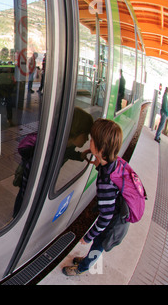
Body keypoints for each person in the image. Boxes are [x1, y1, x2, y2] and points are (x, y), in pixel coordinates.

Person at [63, 118, 129, 276]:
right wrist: (97, 161)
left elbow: (105, 217)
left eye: (92, 139)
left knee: (98, 245)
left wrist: (88, 236)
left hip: (113, 223)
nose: (89, 140)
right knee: (97, 245)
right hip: (116, 213)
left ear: (101, 147)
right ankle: (86, 260)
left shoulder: (106, 184)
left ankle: (82, 268)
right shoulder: (113, 162)